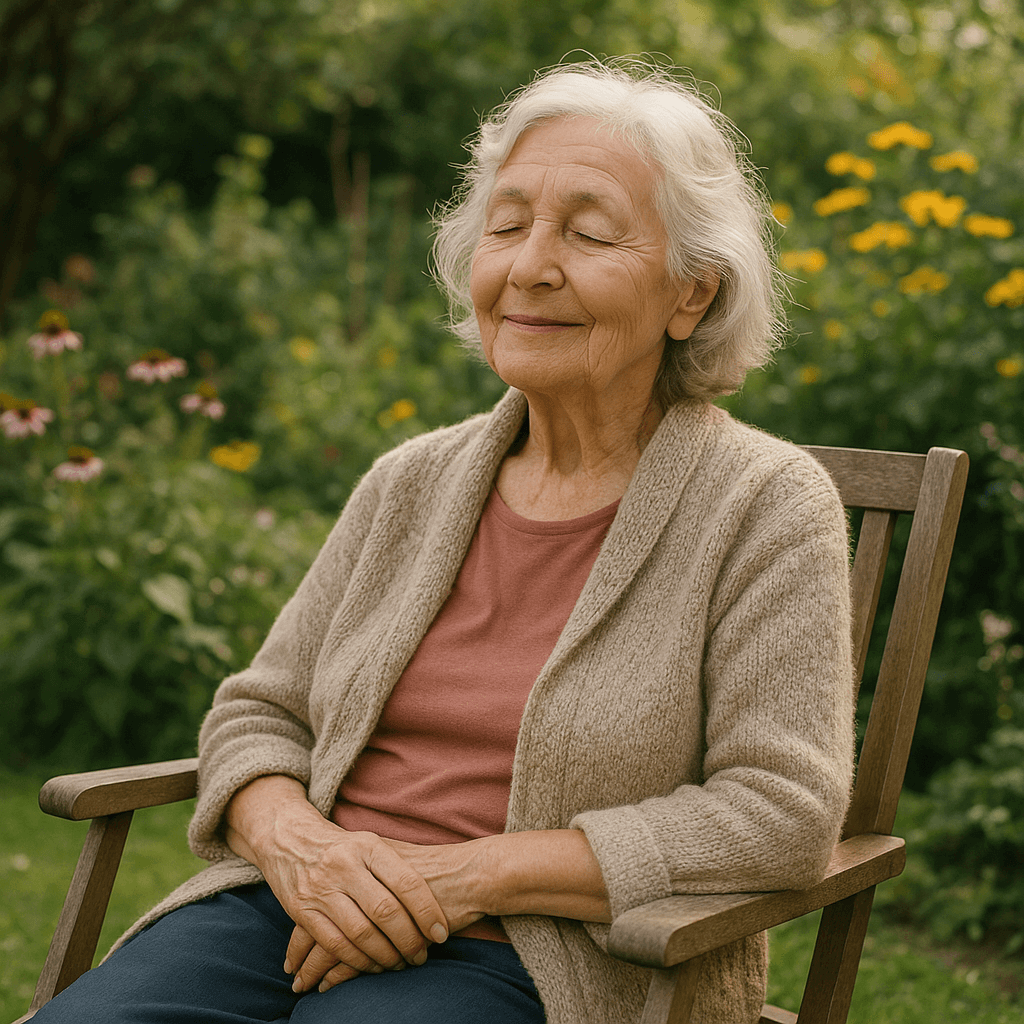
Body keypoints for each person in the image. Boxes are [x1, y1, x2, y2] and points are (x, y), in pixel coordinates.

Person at [32, 59, 854, 1024]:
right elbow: (260, 713)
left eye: (588, 234)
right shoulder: (413, 479)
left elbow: (781, 812)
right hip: (297, 908)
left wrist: (468, 878)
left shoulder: (765, 504)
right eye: (507, 227)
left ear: (693, 296)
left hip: (543, 954)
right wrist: (305, 848)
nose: (530, 266)